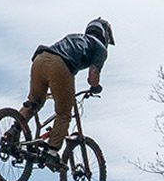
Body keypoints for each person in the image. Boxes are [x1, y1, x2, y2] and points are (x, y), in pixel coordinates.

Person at [7, 18, 115, 165]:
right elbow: (93, 75)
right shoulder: (100, 48)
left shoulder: (75, 37)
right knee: (64, 113)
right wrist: (95, 87)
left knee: (34, 102)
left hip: (40, 59)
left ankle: (13, 131)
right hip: (61, 65)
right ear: (105, 35)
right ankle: (51, 151)